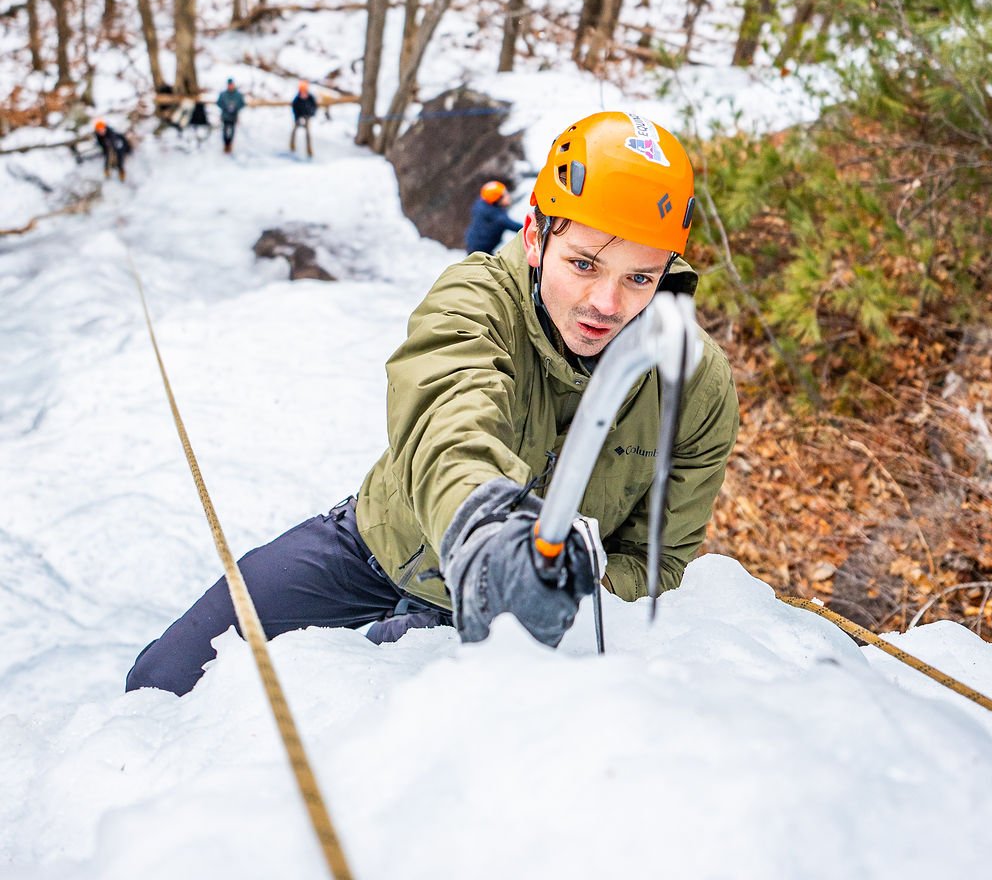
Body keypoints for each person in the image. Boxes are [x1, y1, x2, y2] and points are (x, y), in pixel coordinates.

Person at [126, 110, 738, 696]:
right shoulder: (476, 300)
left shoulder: (693, 384)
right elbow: (448, 420)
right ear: (534, 238)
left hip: (515, 617)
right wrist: (489, 536)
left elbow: (658, 557)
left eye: (639, 277)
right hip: (377, 546)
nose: (606, 302)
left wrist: (564, 584)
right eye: (583, 264)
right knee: (166, 676)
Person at [464, 179, 523, 254]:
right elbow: (517, 227)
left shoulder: (483, 203)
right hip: (480, 250)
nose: (508, 196)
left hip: (474, 244)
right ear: (497, 199)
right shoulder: (495, 215)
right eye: (505, 195)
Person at [216, 78, 245, 154]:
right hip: (225, 115)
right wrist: (225, 107)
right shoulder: (223, 94)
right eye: (229, 85)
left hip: (233, 116)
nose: (230, 86)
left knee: (232, 131)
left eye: (231, 85)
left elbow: (242, 104)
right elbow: (218, 103)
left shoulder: (238, 95)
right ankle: (226, 144)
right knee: (225, 131)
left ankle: (230, 145)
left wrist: (235, 107)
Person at [290, 80, 317, 158]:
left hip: (307, 117)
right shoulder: (297, 99)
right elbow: (294, 109)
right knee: (294, 131)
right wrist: (297, 118)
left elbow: (314, 107)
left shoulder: (310, 97)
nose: (303, 92)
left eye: (304, 90)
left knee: (308, 133)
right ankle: (292, 147)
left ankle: (309, 151)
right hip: (298, 117)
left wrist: (311, 114)